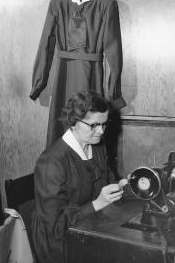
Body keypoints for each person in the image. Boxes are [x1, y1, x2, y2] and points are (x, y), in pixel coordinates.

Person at [32, 89, 128, 263]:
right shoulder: (51, 163)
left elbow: (108, 182)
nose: (101, 131)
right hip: (60, 245)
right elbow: (55, 226)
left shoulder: (97, 146)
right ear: (73, 122)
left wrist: (119, 187)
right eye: (94, 125)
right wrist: (98, 203)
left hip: (90, 229)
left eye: (104, 124)